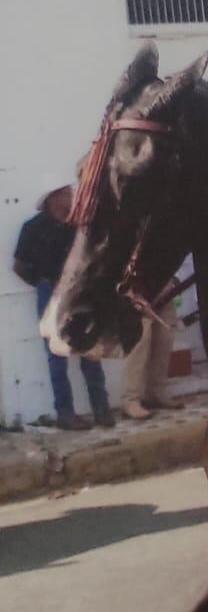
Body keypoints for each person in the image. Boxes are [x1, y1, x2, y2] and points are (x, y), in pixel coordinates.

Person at [13, 178, 114, 430]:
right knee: (56, 354)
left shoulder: (78, 225)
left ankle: (101, 409)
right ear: (53, 199)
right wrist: (43, 284)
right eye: (66, 193)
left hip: (80, 292)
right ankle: (66, 414)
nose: (71, 196)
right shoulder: (33, 228)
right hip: (51, 292)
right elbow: (20, 266)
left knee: (90, 350)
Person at [120, 299, 183, 420]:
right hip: (137, 293)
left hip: (164, 292)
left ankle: (156, 392)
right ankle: (129, 400)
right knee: (139, 343)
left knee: (165, 338)